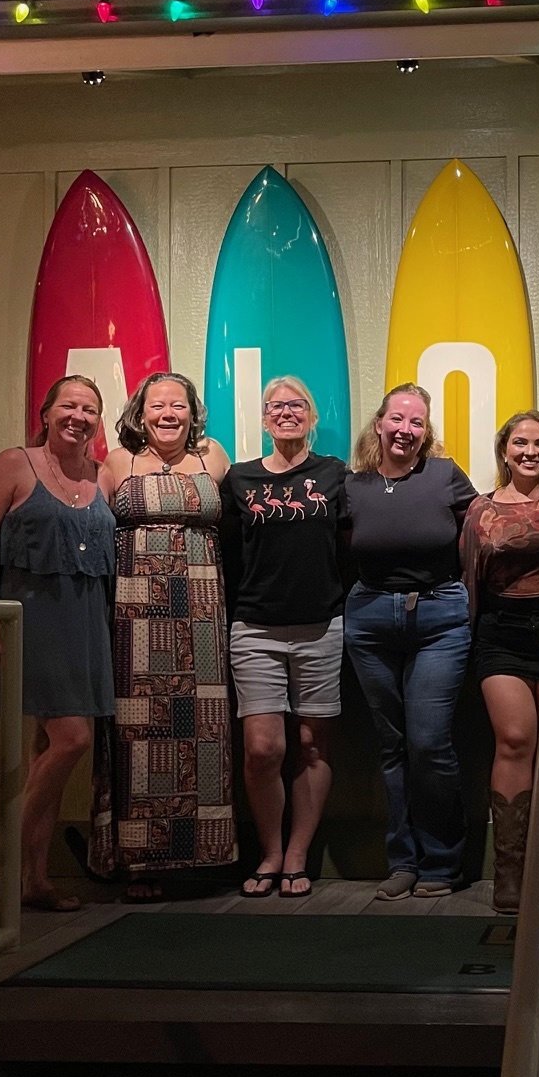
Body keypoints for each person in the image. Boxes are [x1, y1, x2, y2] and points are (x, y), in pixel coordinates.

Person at [90, 372, 235, 899]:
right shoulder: (118, 463)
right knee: (138, 735)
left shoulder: (212, 457)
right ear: (141, 412)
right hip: (135, 620)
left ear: (192, 411)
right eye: (158, 405)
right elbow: (89, 527)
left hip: (202, 615)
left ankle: (203, 855)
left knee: (205, 731)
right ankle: (139, 861)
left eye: (178, 404)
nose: (168, 413)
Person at [344, 383, 476, 900]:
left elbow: (488, 527)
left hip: (440, 617)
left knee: (428, 742)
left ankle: (444, 862)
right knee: (392, 745)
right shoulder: (353, 486)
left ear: (427, 432)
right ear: (379, 424)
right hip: (371, 616)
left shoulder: (445, 475)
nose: (405, 430)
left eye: (417, 422)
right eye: (397, 419)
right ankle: (403, 861)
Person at [0, 375, 115, 911]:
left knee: (50, 748)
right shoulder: (14, 463)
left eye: (90, 409)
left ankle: (33, 880)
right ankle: (3, 864)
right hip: (30, 619)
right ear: (46, 412)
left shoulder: (102, 476)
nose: (79, 416)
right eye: (69, 405)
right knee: (72, 740)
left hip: (86, 620)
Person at [221, 377, 348, 898]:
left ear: (311, 417)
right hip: (254, 625)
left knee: (312, 747)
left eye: (297, 405)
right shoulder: (239, 478)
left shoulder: (334, 474)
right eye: (276, 406)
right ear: (264, 418)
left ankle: (297, 854)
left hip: (322, 625)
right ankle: (269, 852)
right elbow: (228, 552)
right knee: (262, 749)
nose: (287, 413)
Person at [461, 411, 539, 913]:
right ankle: (510, 872)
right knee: (514, 740)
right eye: (520, 442)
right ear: (504, 450)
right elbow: (469, 581)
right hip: (501, 633)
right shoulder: (479, 509)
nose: (530, 451)